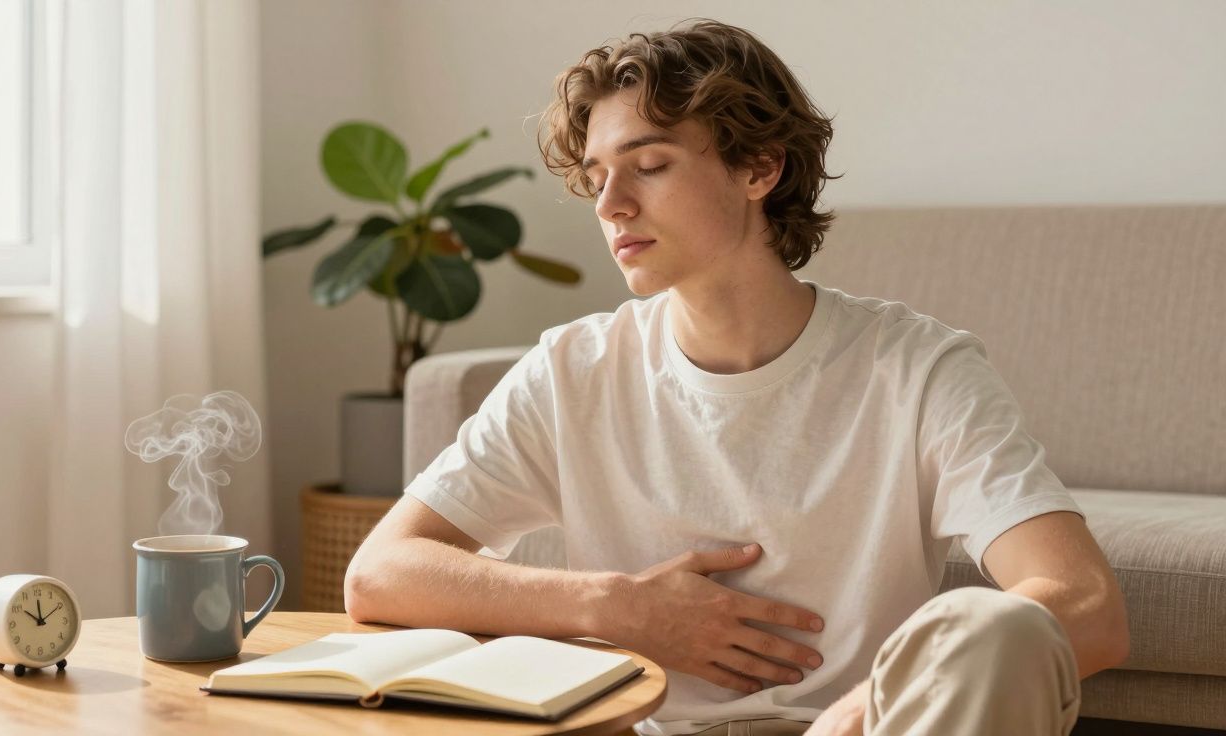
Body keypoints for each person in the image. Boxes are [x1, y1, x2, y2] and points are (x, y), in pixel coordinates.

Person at [344, 17, 1129, 736]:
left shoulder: (916, 369)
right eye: (596, 176)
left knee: (1000, 627)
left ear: (759, 169)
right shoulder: (573, 370)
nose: (610, 205)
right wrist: (618, 607)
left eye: (648, 164)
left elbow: (1085, 604)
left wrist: (891, 693)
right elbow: (380, 573)